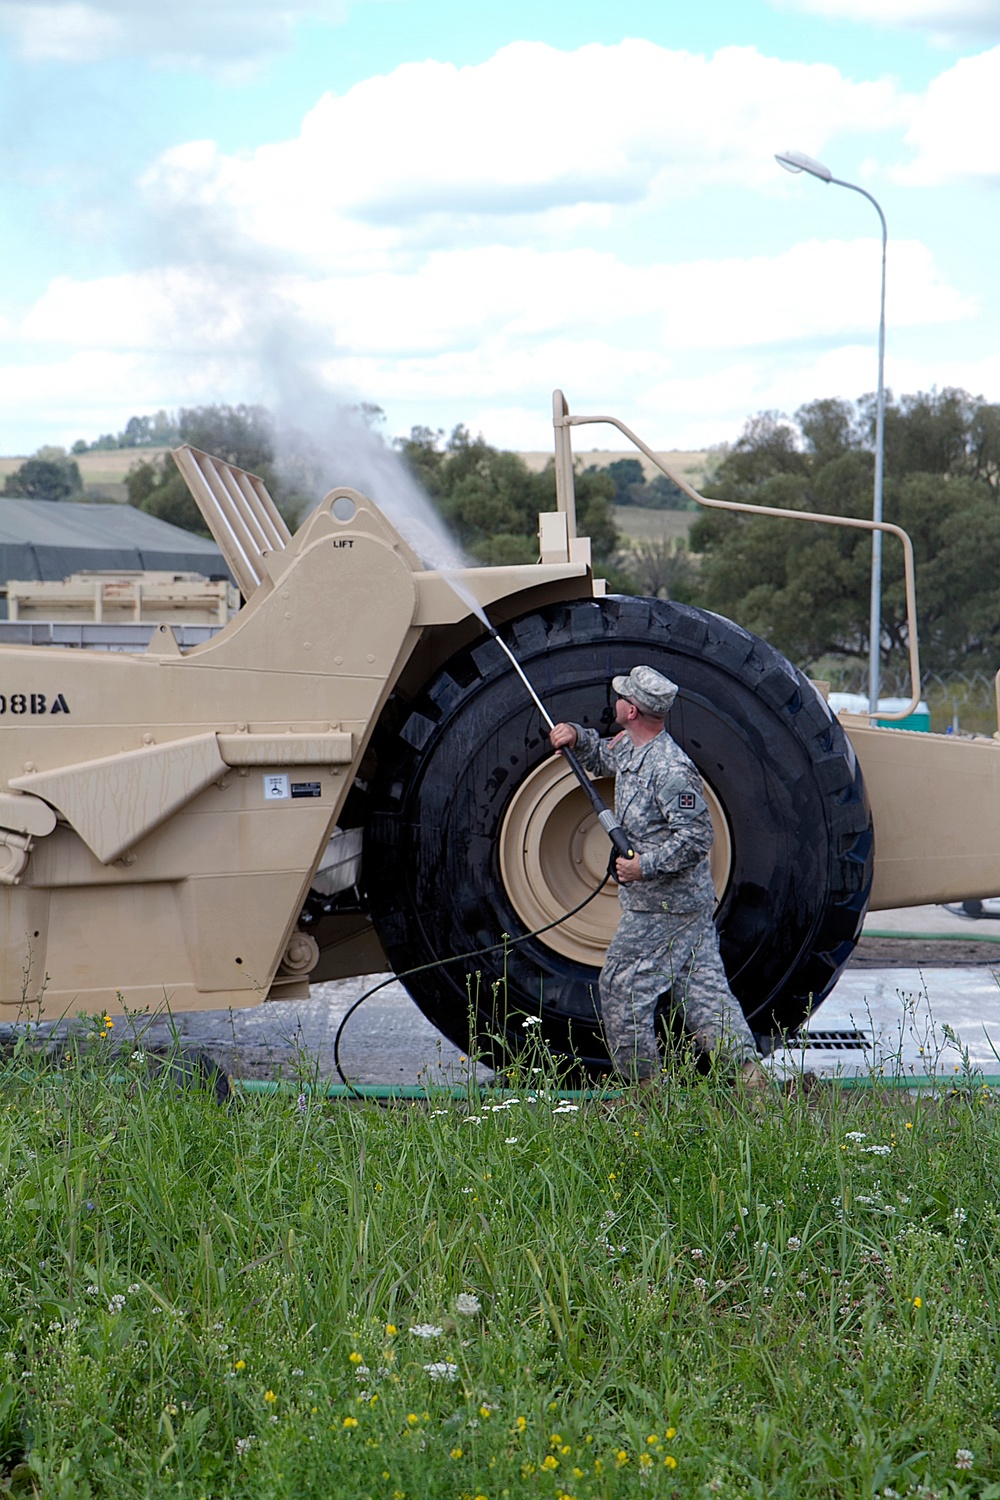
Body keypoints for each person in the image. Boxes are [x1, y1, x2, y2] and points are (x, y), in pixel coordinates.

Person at [549, 664, 767, 1089]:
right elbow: (602, 755)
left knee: (621, 986)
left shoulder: (670, 769)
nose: (616, 701)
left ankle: (645, 1091)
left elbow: (697, 837)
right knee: (704, 996)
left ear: (631, 710)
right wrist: (575, 735)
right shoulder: (631, 748)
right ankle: (751, 1082)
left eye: (621, 697)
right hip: (675, 905)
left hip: (666, 905)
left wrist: (642, 866)